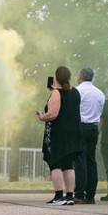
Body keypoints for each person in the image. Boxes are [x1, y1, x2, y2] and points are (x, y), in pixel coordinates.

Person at [39, 66, 82, 205]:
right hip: (74, 133)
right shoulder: (75, 92)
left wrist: (41, 116)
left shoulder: (56, 93)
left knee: (55, 163)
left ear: (56, 78)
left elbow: (52, 114)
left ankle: (58, 196)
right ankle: (69, 196)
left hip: (58, 134)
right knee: (69, 165)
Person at [73, 67, 105, 204]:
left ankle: (79, 194)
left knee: (80, 161)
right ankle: (90, 195)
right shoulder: (100, 93)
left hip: (81, 127)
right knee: (91, 161)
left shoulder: (77, 91)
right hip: (94, 128)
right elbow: (101, 112)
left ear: (80, 77)